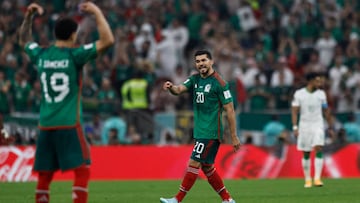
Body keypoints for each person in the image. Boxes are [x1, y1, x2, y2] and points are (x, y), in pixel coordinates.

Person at [18, 2, 114, 203]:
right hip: (69, 124)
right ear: (73, 35)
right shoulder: (75, 55)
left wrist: (28, 16)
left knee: (44, 175)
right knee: (82, 171)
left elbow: (24, 40)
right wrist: (96, 12)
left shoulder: (41, 55)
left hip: (45, 125)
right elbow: (107, 41)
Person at [160, 50, 241, 203]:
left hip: (210, 132)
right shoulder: (195, 79)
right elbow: (178, 90)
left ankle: (177, 200)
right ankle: (227, 199)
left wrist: (234, 136)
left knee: (193, 163)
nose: (201, 64)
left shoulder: (220, 83)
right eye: (197, 61)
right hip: (200, 131)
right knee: (207, 167)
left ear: (211, 61)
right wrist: (171, 87)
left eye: (204, 60)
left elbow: (230, 110)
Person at [291, 72, 334, 188]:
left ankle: (317, 178)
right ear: (310, 81)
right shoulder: (299, 94)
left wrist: (330, 127)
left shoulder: (321, 94)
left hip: (318, 124)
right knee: (306, 152)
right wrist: (295, 127)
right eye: (317, 81)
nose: (320, 83)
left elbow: (326, 110)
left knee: (318, 147)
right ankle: (308, 179)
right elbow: (294, 111)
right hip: (304, 125)